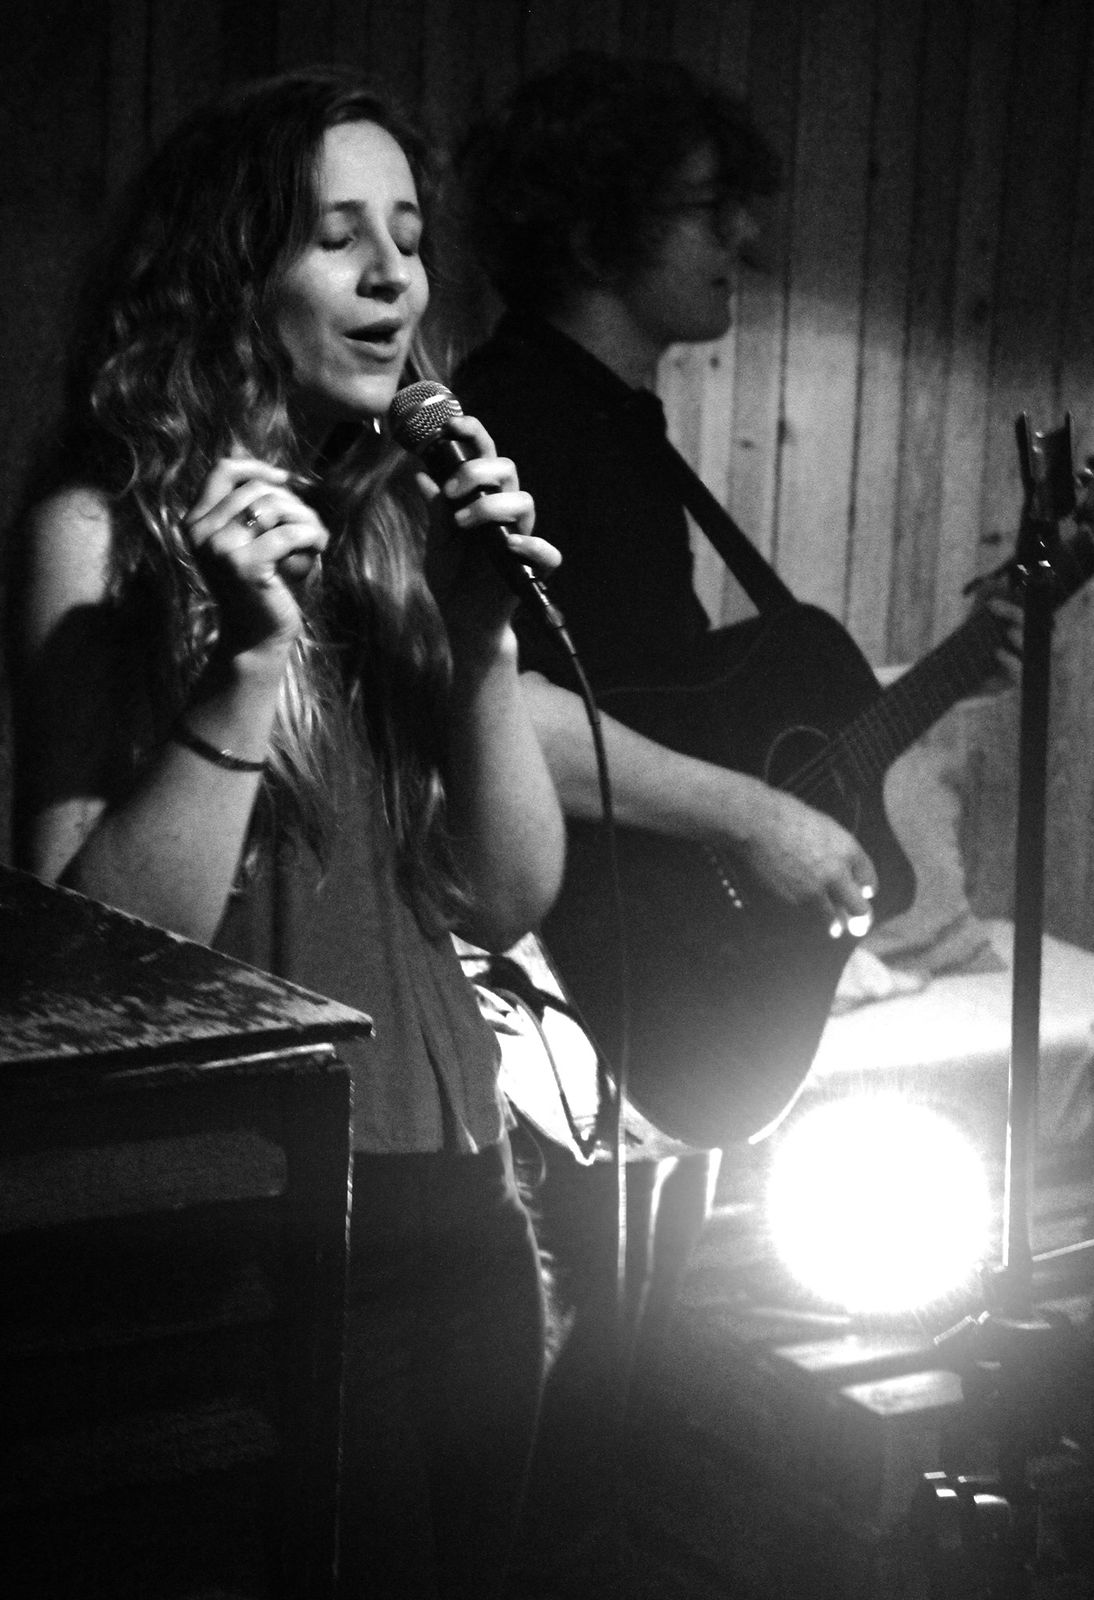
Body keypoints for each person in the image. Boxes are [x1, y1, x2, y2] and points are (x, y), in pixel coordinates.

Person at [454, 51, 1021, 1600]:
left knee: (621, 1375)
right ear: (596, 225)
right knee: (564, 1383)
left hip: (661, 957)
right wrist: (757, 818)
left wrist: (959, 659)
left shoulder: (616, 430)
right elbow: (508, 713)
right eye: (708, 209)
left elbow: (672, 700)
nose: (745, 243)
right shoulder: (516, 425)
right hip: (569, 965)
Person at [7, 68, 567, 1600]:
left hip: (467, 1197)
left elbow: (507, 895)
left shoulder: (394, 523)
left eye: (410, 237)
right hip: (266, 1218)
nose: (394, 277)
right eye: (339, 237)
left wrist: (483, 639)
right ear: (229, 274)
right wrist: (250, 661)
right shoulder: (99, 531)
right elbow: (91, 956)